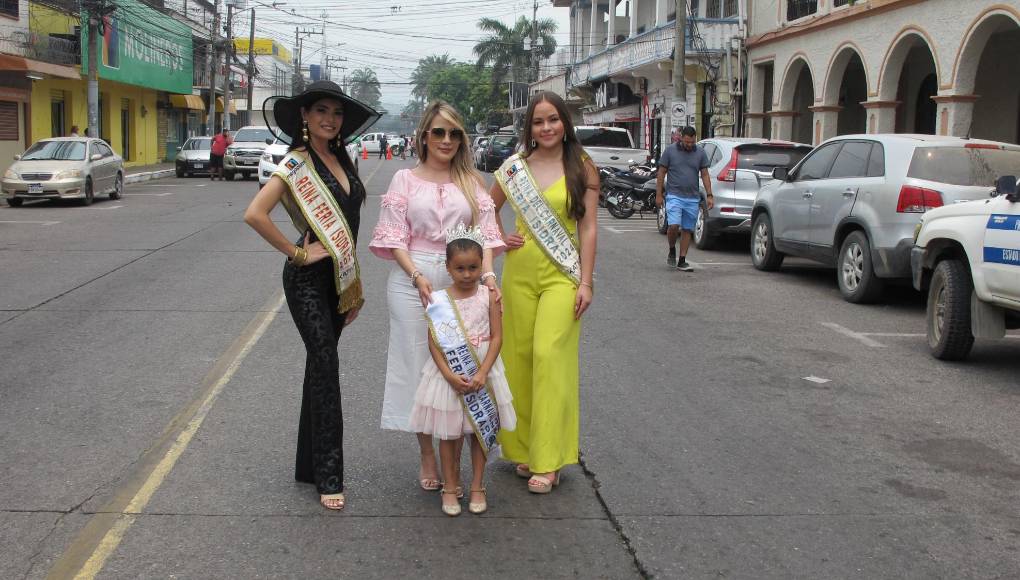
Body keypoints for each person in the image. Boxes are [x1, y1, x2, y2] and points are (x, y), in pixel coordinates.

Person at [243, 80, 378, 511]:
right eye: (321, 110)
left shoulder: (342, 157)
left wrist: (351, 289)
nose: (329, 119)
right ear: (304, 116)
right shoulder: (295, 165)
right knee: (327, 367)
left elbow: (351, 226)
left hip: (337, 280)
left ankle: (308, 464)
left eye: (336, 113)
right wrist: (298, 252)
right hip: (305, 281)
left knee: (317, 371)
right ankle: (329, 475)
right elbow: (254, 214)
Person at [369, 100, 504, 494]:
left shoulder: (472, 181)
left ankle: (459, 456)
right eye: (438, 132)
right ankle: (427, 453)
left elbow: (487, 236)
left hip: (463, 283)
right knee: (420, 368)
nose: (446, 140)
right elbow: (394, 237)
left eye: (454, 133)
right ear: (424, 136)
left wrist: (491, 279)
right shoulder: (403, 180)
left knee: (464, 364)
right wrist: (416, 277)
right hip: (414, 282)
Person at [489, 91, 599, 494]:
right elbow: (486, 209)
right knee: (518, 357)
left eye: (553, 119)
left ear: (564, 122)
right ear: (529, 128)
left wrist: (585, 281)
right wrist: (500, 239)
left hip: (562, 274)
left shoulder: (583, 168)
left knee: (549, 357)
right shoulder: (514, 168)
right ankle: (523, 450)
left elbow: (587, 227)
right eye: (538, 122)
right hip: (519, 272)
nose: (547, 127)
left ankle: (549, 459)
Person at [408, 224, 517, 516]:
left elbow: (497, 337)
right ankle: (449, 486)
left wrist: (482, 372)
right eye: (460, 268)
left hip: (483, 366)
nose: (467, 274)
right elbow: (433, 343)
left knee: (478, 430)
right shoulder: (438, 301)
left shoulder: (489, 295)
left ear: (482, 264)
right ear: (448, 267)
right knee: (449, 433)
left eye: (473, 267)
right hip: (450, 372)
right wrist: (447, 374)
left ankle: (478, 485)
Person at [655, 125, 714, 272]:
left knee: (687, 229)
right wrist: (658, 194)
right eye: (687, 142)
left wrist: (709, 195)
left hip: (692, 198)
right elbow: (661, 173)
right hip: (674, 195)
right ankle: (671, 248)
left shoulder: (700, 153)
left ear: (695, 139)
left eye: (692, 142)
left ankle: (682, 260)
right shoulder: (670, 151)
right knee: (673, 226)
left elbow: (705, 174)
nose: (689, 145)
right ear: (681, 138)